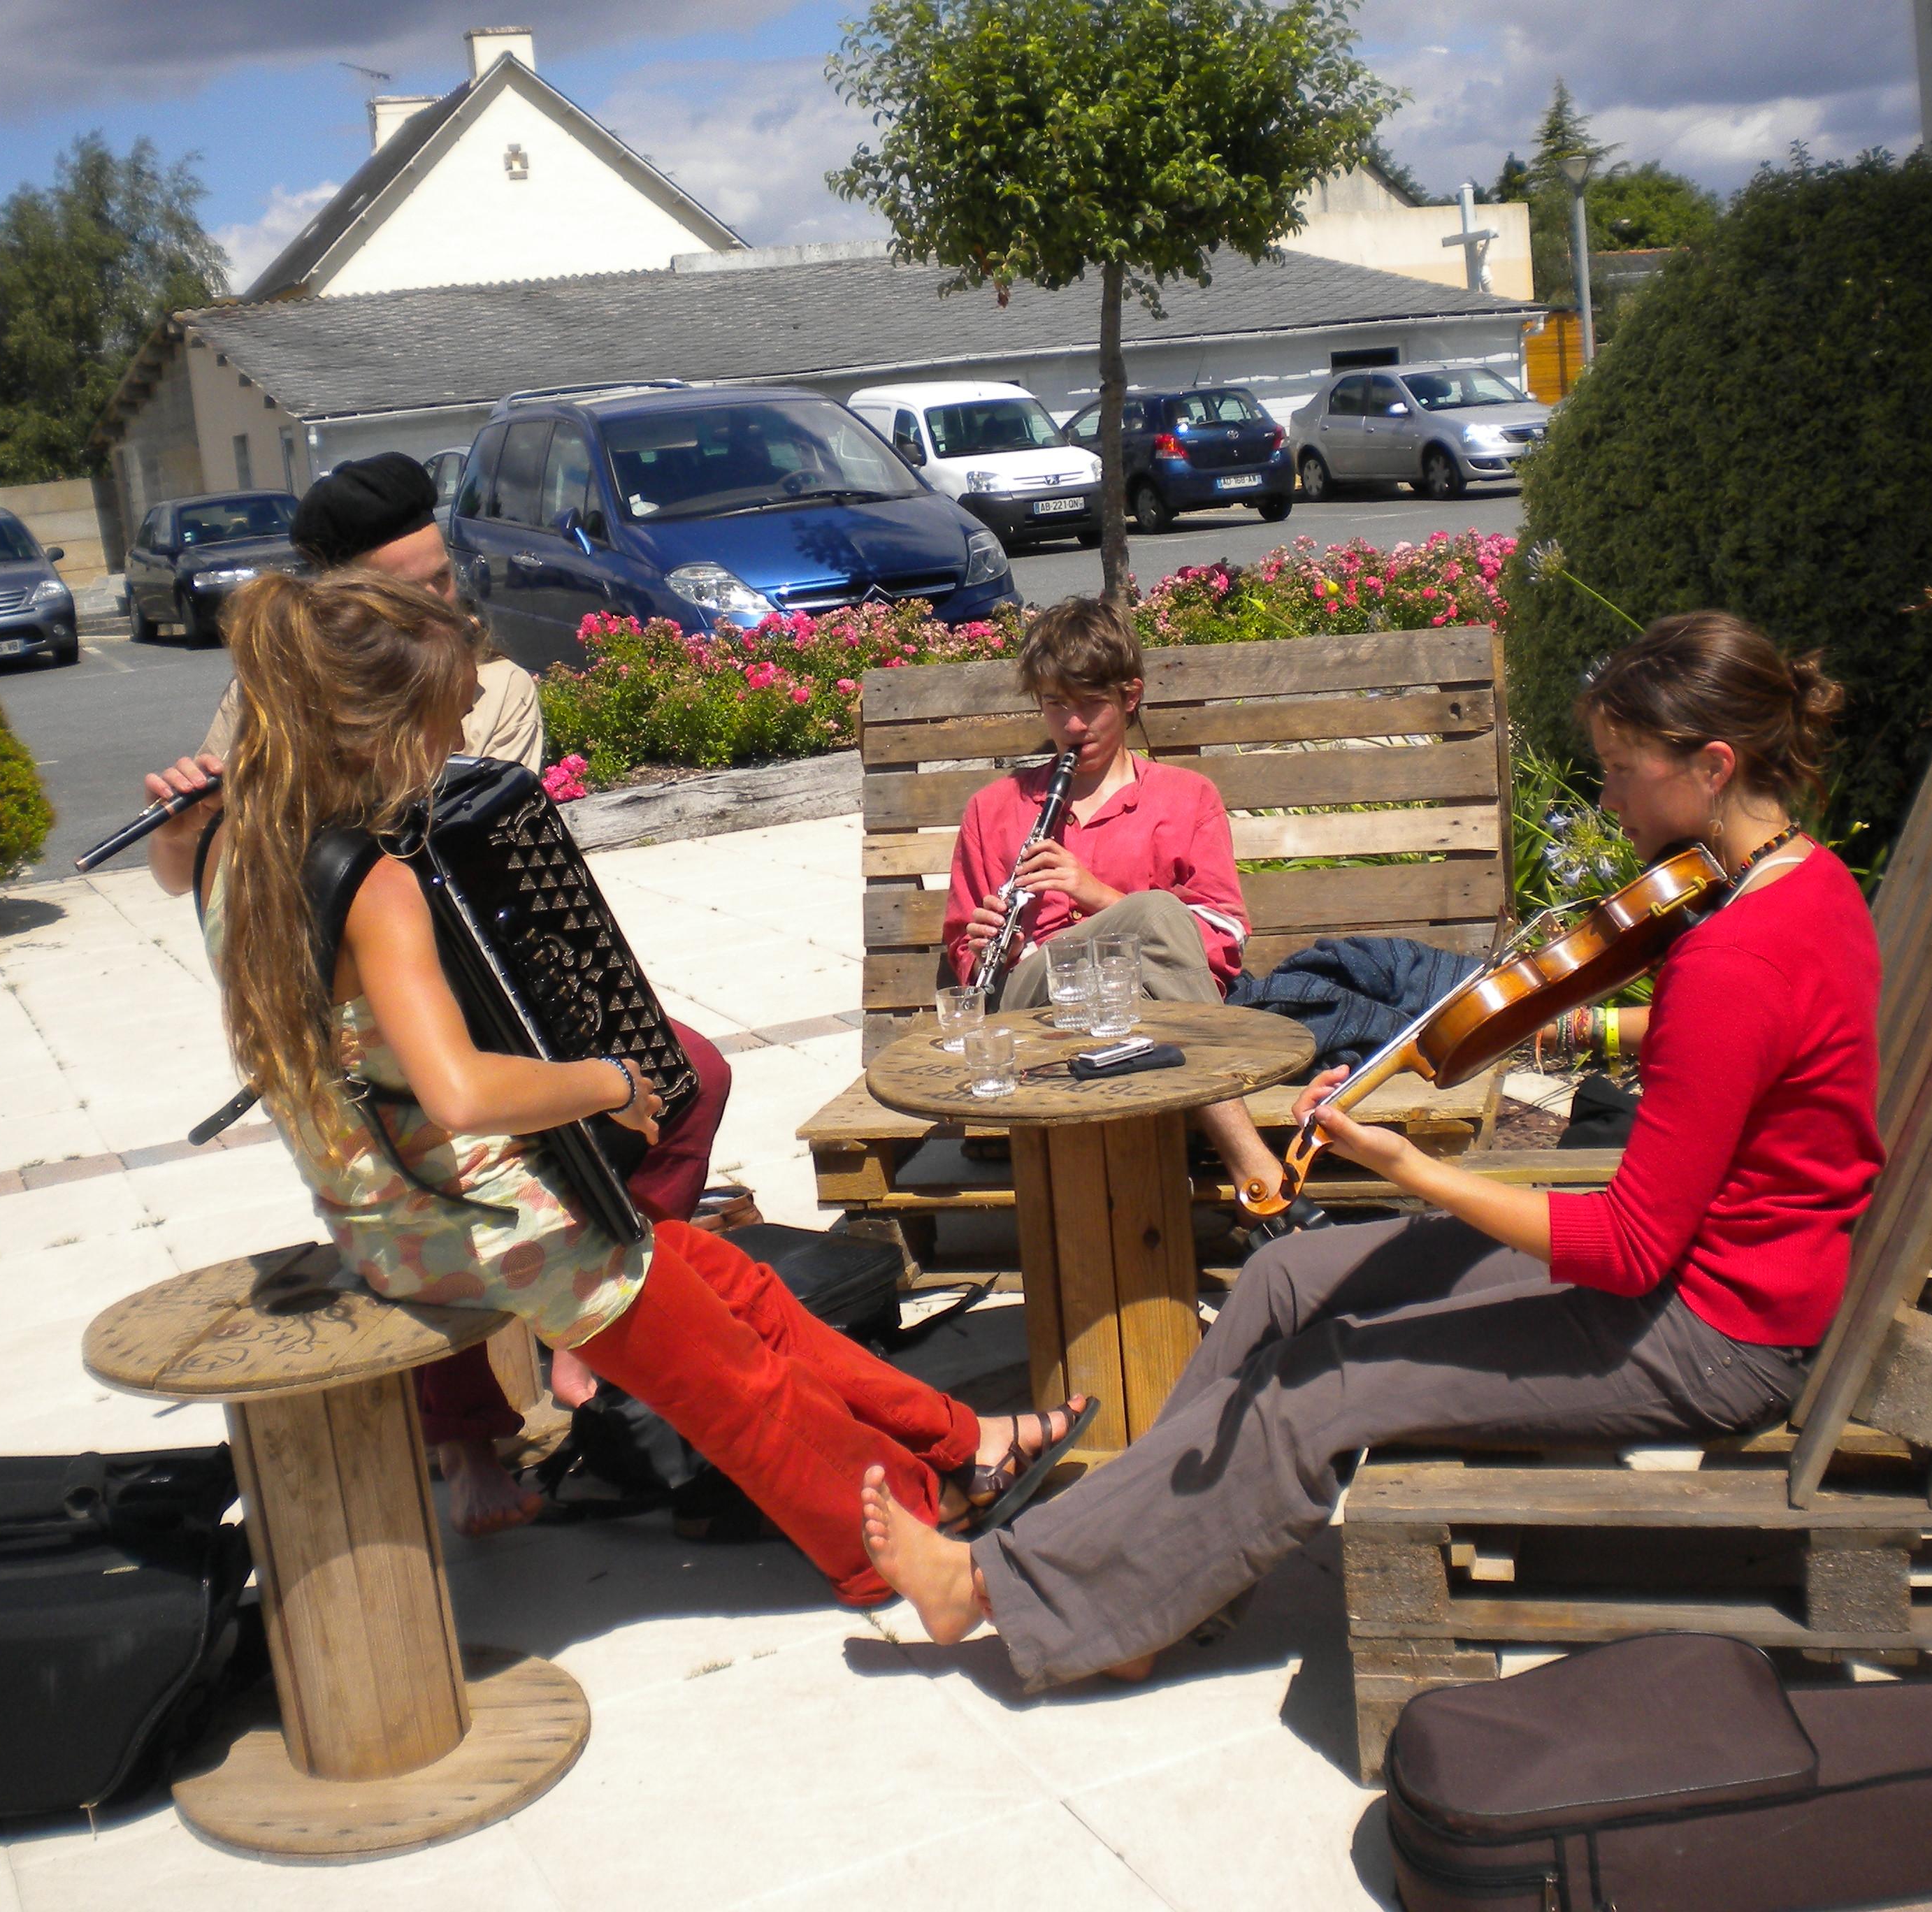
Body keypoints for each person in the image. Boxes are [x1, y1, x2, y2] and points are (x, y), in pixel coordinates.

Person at [863, 611, 1883, 1688]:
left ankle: (996, 1588)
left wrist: (1405, 1166)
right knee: (1285, 1279)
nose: (1608, 799)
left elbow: (1628, 1247)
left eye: (1625, 771)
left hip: (1713, 1331)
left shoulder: (1736, 959)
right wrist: (1556, 1040)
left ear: (1713, 766)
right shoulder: (1806, 882)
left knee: (1325, 1382)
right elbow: (1722, 1084)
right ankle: (1129, 1598)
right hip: (1696, 1279)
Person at [152, 567, 1088, 1605]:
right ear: (376, 729)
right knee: (735, 1383)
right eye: (443, 718)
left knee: (733, 1284)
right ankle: (902, 1536)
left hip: (384, 1212)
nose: (456, 741)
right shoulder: (376, 887)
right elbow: (459, 1093)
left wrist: (180, 819)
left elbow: (169, 867)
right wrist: (605, 1083)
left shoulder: (226, 844)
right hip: (479, 1224)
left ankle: (965, 1441)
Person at [140, 452, 733, 1537]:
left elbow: (480, 844)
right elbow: (191, 876)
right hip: (378, 1001)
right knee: (436, 1159)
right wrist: (186, 827)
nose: (446, 607)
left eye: (445, 580)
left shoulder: (498, 687)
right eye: (410, 593)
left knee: (689, 1072)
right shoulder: (264, 707)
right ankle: (465, 1437)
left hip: (495, 972)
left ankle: (599, 1304)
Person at [943, 598, 1327, 1240]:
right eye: (1053, 705)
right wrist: (989, 948)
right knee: (1154, 909)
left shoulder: (1186, 797)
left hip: (1153, 1010)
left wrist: (1097, 896)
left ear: (1129, 697)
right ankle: (1255, 1167)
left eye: (1089, 704)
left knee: (1154, 931)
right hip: (1039, 1010)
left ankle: (1213, 1208)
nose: (1071, 724)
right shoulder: (995, 807)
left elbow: (1225, 937)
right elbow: (964, 948)